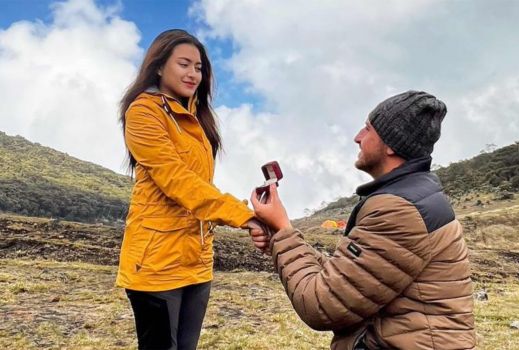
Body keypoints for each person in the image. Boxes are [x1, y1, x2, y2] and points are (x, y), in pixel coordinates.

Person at [251, 91, 476, 349]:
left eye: (368, 129)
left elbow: (321, 304)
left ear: (391, 144)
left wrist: (283, 230)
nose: (357, 137)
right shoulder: (411, 197)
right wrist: (279, 238)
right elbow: (349, 279)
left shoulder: (399, 211)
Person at [116, 29, 262, 350]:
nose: (193, 74)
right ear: (158, 66)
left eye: (199, 67)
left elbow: (201, 186)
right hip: (156, 263)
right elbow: (178, 181)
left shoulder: (197, 117)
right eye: (184, 64)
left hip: (196, 261)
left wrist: (248, 211)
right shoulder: (144, 112)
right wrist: (244, 217)